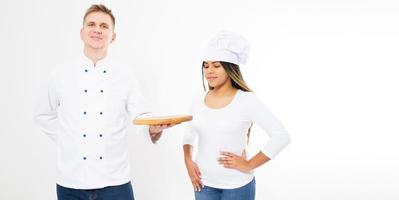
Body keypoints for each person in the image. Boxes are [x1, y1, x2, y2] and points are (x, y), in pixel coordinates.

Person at [34, 4, 172, 200]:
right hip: (71, 181)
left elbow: (140, 114)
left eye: (104, 26)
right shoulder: (60, 74)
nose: (97, 29)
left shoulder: (125, 75)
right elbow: (43, 115)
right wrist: (69, 137)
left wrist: (153, 128)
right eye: (91, 24)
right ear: (82, 33)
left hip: (115, 182)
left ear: (113, 36)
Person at [183, 31, 291, 200]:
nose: (209, 71)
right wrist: (188, 162)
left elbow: (281, 136)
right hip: (203, 183)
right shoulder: (198, 100)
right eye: (206, 65)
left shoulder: (246, 100)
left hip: (237, 186)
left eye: (217, 65)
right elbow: (188, 135)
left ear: (230, 68)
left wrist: (249, 164)